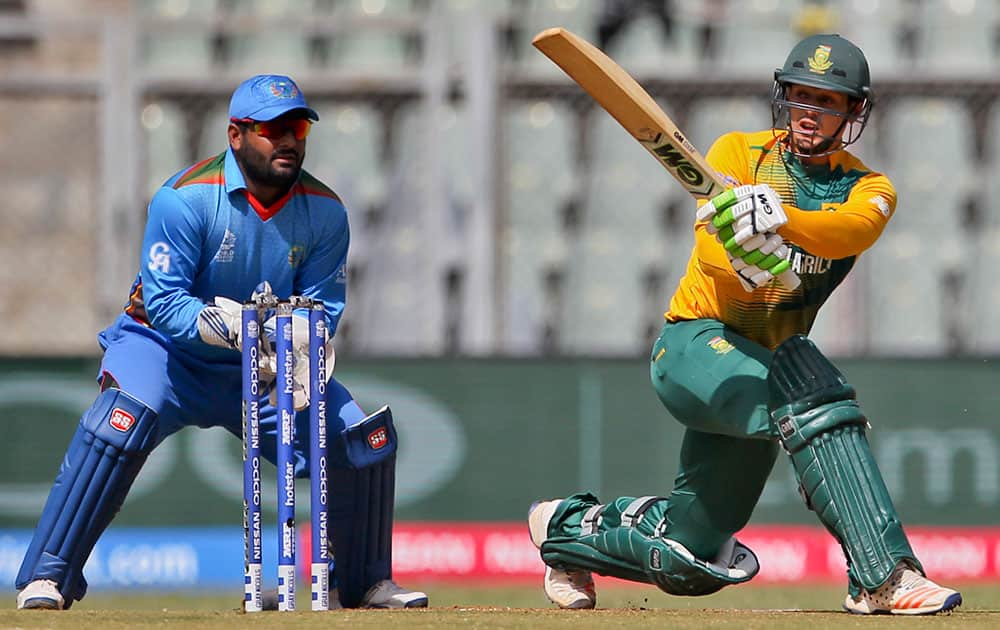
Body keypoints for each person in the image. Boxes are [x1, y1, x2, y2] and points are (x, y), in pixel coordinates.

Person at [528, 34, 964, 615]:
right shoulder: (738, 154)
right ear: (783, 96)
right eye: (801, 95)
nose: (810, 112)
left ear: (855, 111)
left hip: (765, 368)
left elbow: (849, 231)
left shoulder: (869, 189)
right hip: (693, 347)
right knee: (815, 395)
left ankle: (568, 530)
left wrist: (783, 219)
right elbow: (711, 253)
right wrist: (742, 256)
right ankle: (883, 577)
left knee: (692, 559)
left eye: (828, 101)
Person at [15, 74, 428, 611]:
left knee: (360, 436)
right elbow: (162, 306)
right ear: (236, 135)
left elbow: (322, 310)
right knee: (118, 423)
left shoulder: (325, 212)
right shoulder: (184, 200)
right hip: (166, 354)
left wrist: (293, 337)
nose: (289, 141)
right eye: (272, 130)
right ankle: (47, 576)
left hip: (264, 365)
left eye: (298, 127)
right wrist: (232, 325)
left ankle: (366, 581)